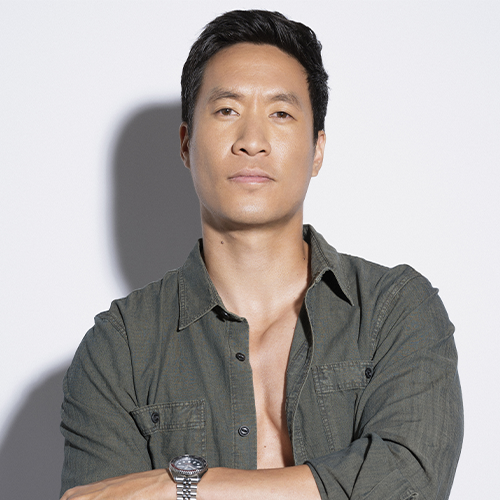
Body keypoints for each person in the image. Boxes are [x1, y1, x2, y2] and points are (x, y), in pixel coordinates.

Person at [59, 9, 463, 500]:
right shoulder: (119, 350)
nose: (252, 142)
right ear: (186, 143)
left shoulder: (394, 310)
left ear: (317, 150)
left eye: (281, 113)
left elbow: (411, 480)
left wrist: (184, 485)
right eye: (227, 110)